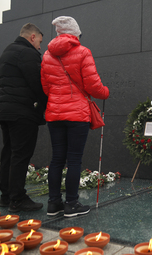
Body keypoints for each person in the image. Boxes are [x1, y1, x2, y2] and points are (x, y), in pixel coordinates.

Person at [41, 16, 109, 217]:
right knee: (74, 160)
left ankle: (54, 204)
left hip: (54, 114)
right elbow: (93, 86)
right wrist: (105, 92)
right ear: (75, 33)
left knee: (56, 159)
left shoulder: (47, 56)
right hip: (77, 115)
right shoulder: (82, 52)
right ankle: (71, 204)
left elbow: (46, 88)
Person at [0, 23, 47, 212]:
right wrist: (47, 105)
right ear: (32, 37)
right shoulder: (27, 53)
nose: (40, 47)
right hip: (23, 112)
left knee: (9, 152)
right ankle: (17, 198)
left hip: (5, 111)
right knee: (21, 154)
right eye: (40, 41)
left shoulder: (7, 52)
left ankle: (6, 195)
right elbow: (38, 84)